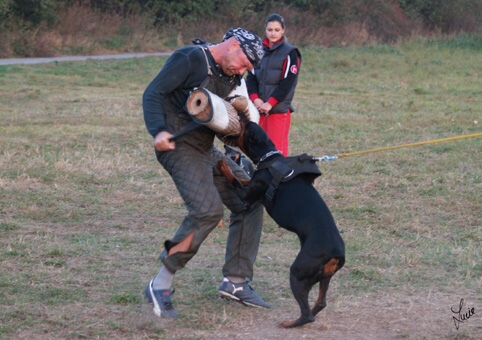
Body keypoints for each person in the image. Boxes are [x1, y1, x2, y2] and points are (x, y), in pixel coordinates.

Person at [142, 27, 269, 319]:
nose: (244, 71)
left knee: (251, 197)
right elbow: (153, 93)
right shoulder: (190, 59)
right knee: (207, 211)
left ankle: (236, 282)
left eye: (249, 69)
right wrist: (158, 130)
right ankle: (160, 284)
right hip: (177, 147)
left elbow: (229, 116)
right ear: (233, 45)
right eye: (245, 64)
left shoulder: (233, 75)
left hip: (205, 149)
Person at [246, 13, 301, 156]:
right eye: (270, 30)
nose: (273, 33)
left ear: (283, 30)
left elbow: (288, 83)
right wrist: (255, 99)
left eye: (277, 30)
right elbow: (250, 78)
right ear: (265, 30)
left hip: (278, 110)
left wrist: (270, 103)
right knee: (260, 151)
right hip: (258, 110)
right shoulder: (258, 51)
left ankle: (282, 179)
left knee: (277, 153)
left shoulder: (290, 53)